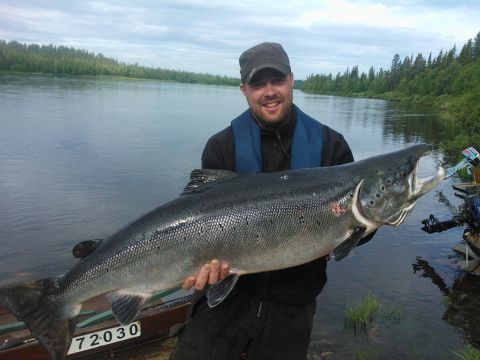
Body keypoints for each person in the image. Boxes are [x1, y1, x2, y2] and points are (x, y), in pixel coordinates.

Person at [170, 42, 367, 360]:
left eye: (276, 80)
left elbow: (358, 232)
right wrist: (198, 267)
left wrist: (369, 220)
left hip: (292, 306)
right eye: (258, 84)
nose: (269, 91)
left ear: (291, 80)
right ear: (244, 89)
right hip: (225, 300)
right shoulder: (222, 147)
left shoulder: (332, 147)